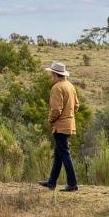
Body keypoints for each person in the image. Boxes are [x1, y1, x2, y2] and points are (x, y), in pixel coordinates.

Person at [39, 61, 80, 192]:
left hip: (60, 126)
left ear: (55, 74)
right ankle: (51, 182)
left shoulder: (57, 88)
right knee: (59, 154)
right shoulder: (70, 86)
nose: (51, 75)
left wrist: (50, 121)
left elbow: (56, 110)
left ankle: (72, 184)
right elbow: (77, 106)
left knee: (64, 154)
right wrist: (69, 116)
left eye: (52, 73)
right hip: (69, 125)